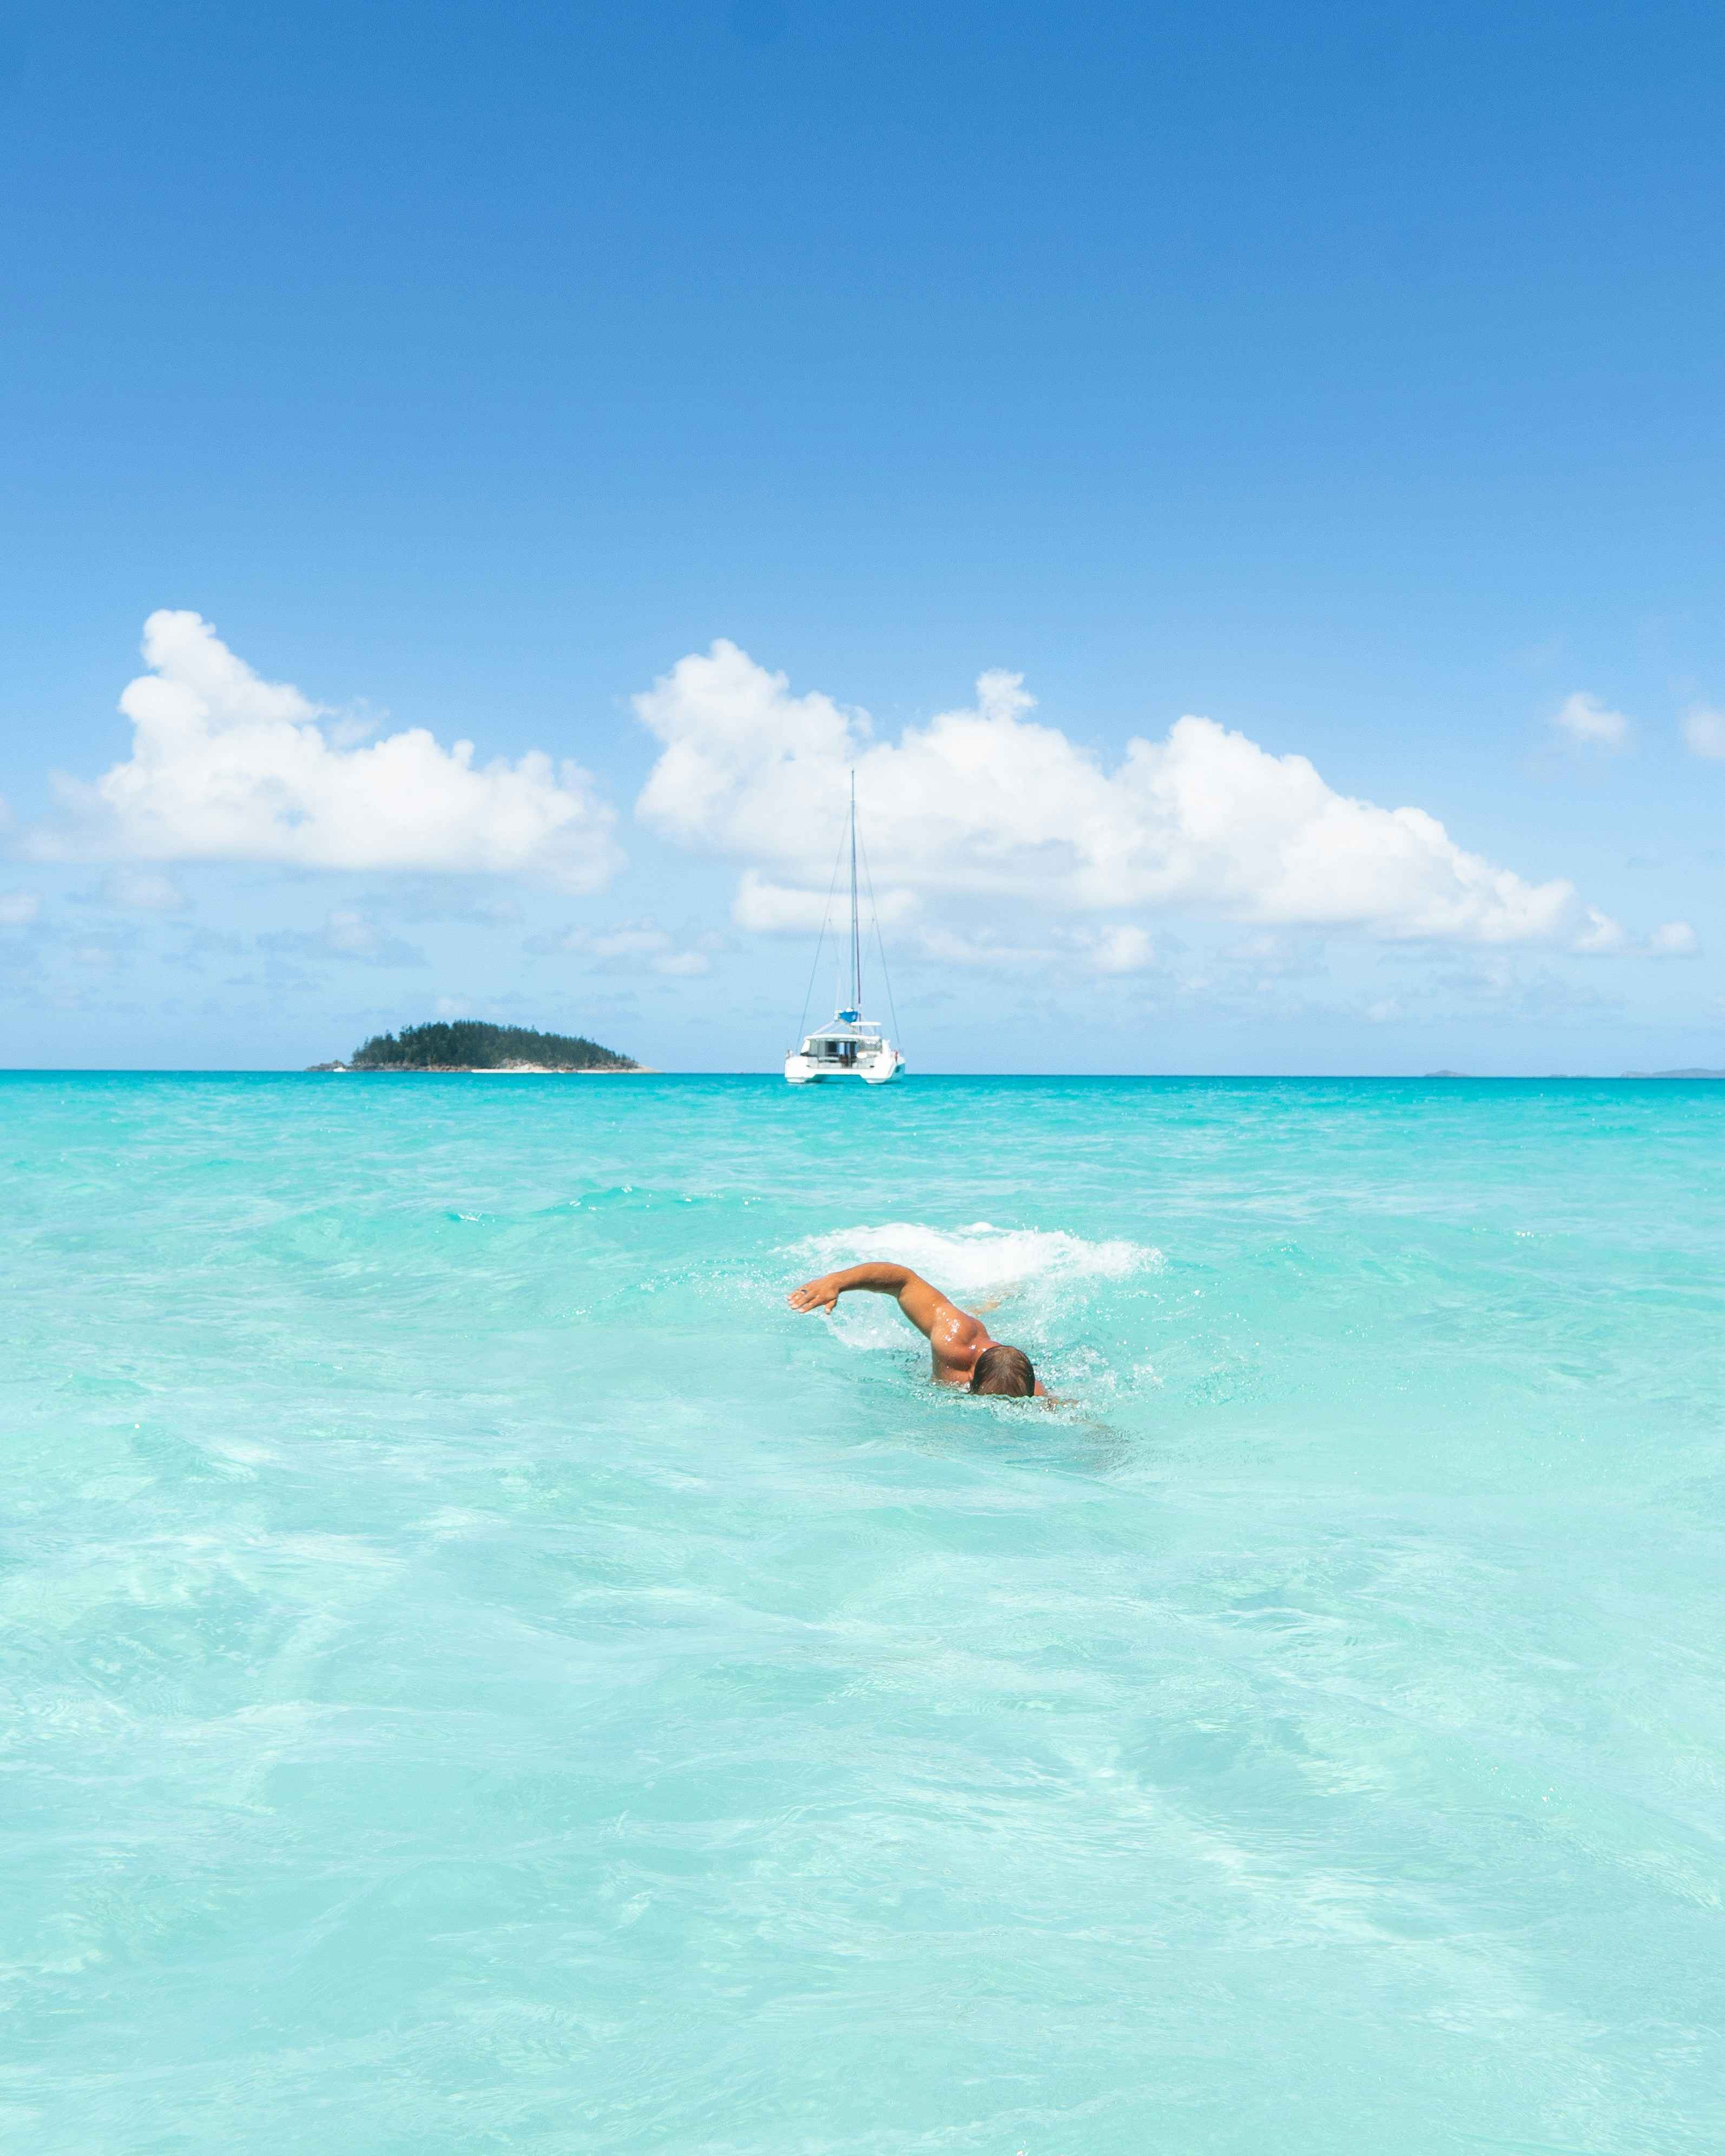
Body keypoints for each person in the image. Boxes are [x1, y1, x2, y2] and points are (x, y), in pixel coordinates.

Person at [788, 1261, 1045, 1396]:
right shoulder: (954, 1341)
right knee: (968, 1316)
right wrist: (836, 1282)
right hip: (965, 1334)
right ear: (971, 1379)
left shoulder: (1034, 1394)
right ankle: (997, 1297)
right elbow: (904, 1282)